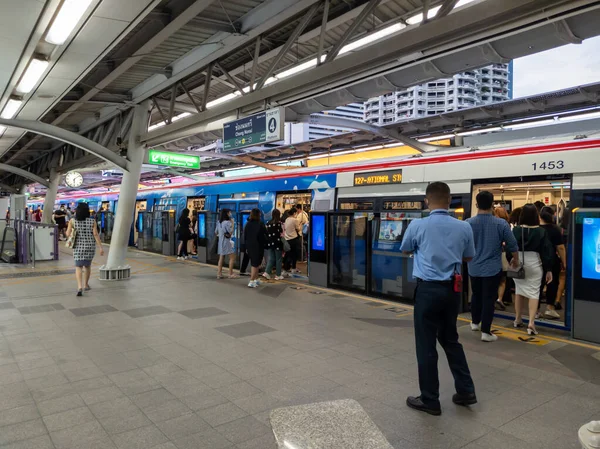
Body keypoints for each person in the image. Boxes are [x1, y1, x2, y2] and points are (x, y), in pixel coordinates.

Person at [400, 182, 477, 416]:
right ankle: (466, 391)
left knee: (426, 345)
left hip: (427, 291)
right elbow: (469, 257)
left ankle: (430, 400)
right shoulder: (464, 227)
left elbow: (405, 249)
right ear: (449, 199)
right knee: (450, 340)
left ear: (426, 201)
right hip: (452, 291)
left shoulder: (417, 225)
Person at [467, 192, 519, 342]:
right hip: (492, 268)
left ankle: (475, 323)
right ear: (492, 205)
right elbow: (512, 245)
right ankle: (486, 332)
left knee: (476, 295)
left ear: (476, 205)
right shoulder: (501, 224)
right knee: (489, 298)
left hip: (474, 267)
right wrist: (515, 260)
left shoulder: (468, 223)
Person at [512, 203, 554, 335]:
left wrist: (511, 260)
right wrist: (548, 269)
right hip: (535, 263)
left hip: (518, 262)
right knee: (534, 293)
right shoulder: (541, 231)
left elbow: (510, 246)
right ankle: (531, 323)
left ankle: (517, 319)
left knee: (519, 291)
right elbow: (546, 252)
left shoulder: (516, 230)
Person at [67, 202, 104, 296]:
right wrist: (100, 247)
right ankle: (86, 285)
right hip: (89, 246)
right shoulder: (92, 221)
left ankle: (79, 287)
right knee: (87, 266)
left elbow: (67, 234)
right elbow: (95, 234)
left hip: (78, 247)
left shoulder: (72, 221)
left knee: (78, 266)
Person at [539, 206, 566, 319]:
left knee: (537, 286)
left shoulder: (536, 229)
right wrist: (564, 262)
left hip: (537, 260)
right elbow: (560, 247)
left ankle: (535, 309)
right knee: (552, 284)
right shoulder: (555, 229)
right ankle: (550, 308)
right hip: (552, 261)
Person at [493, 207, 511, 310]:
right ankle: (500, 299)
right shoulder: (506, 224)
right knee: (503, 279)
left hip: (494, 254)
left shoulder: (494, 224)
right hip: (503, 254)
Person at [244, 208, 267, 288]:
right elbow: (264, 235)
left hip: (249, 245)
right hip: (258, 246)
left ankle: (256, 279)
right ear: (258, 214)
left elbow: (245, 236)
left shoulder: (247, 224)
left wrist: (246, 247)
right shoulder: (260, 224)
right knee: (255, 264)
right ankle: (251, 281)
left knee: (255, 263)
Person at [263, 209, 284, 280]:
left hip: (270, 243)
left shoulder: (268, 223)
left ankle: (267, 272)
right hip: (278, 243)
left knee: (271, 258)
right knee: (278, 259)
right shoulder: (279, 223)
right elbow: (282, 233)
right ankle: (278, 274)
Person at [216, 208, 237, 279]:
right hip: (226, 242)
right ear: (227, 213)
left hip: (220, 242)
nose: (230, 214)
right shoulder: (228, 222)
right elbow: (230, 233)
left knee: (221, 257)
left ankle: (219, 273)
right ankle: (230, 273)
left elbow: (216, 232)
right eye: (230, 212)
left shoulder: (219, 222)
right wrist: (232, 223)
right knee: (232, 257)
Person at [282, 208, 302, 275]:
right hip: (294, 239)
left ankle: (285, 269)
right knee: (294, 255)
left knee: (288, 255)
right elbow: (298, 229)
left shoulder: (287, 219)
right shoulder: (295, 220)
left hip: (287, 239)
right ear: (294, 213)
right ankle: (293, 268)